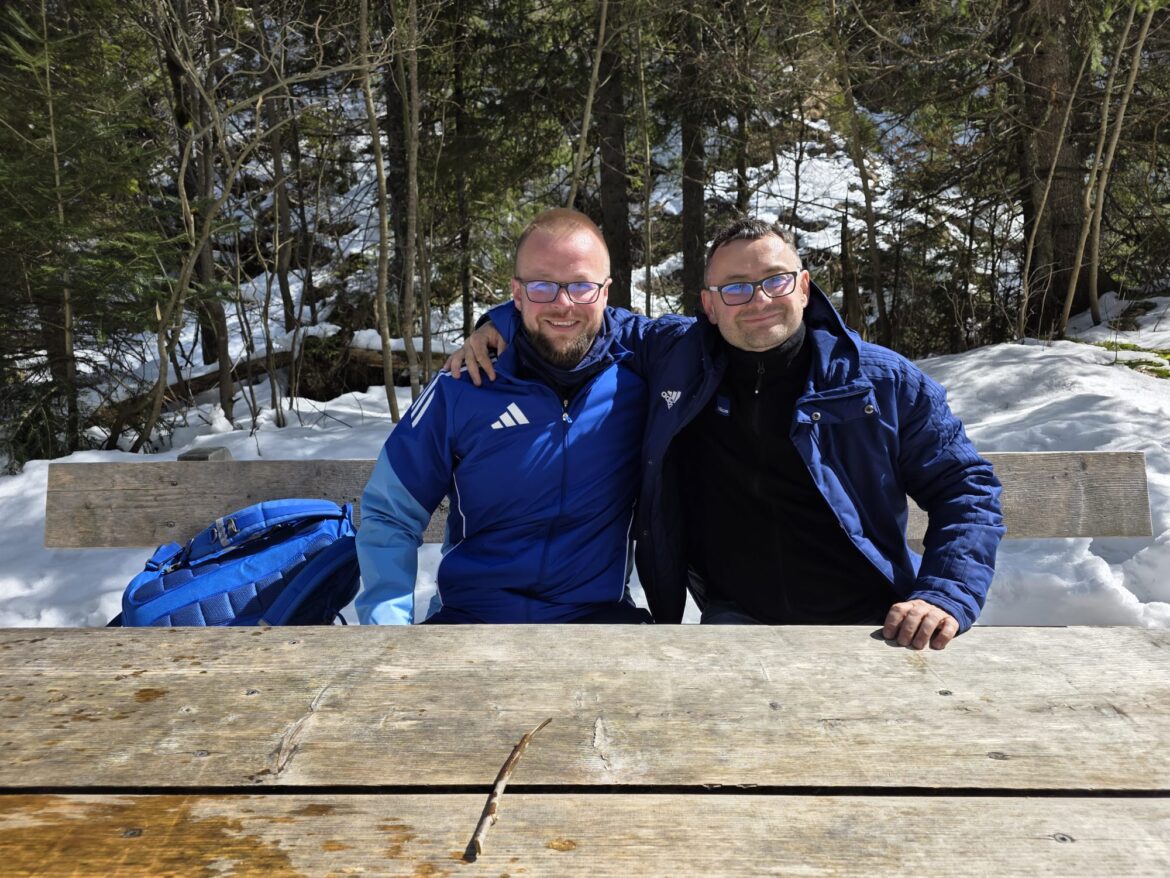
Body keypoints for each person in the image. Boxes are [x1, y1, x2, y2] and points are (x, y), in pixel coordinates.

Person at [448, 216, 1004, 648]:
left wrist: (944, 593)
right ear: (709, 306)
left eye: (774, 281)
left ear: (805, 288)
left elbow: (967, 488)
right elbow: (580, 308)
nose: (758, 300)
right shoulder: (677, 356)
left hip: (871, 620)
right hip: (734, 619)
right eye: (735, 288)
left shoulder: (880, 381)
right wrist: (501, 319)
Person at [355, 208, 660, 624]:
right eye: (542, 287)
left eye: (581, 286)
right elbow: (391, 512)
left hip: (598, 625)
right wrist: (386, 629)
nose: (563, 304)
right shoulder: (462, 384)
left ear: (606, 292)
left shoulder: (639, 384)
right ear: (516, 294)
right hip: (470, 622)